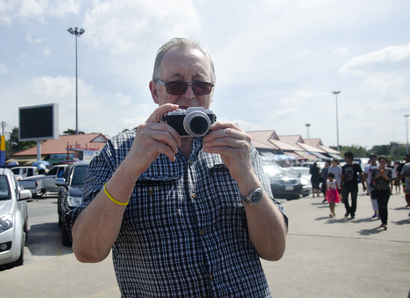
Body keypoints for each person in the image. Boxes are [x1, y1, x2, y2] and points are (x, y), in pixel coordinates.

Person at [65, 38, 288, 297]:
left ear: (212, 92)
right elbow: (87, 251)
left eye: (201, 85)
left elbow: (274, 250)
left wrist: (246, 177)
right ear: (154, 91)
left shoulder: (238, 148)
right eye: (176, 83)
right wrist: (129, 171)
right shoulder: (117, 153)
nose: (190, 94)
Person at [340, 151, 366, 219]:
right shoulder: (344, 167)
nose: (345, 158)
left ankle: (352, 212)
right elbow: (342, 176)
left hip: (354, 184)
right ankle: (348, 210)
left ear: (350, 158)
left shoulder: (356, 165)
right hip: (346, 184)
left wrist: (363, 185)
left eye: (346, 157)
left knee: (354, 199)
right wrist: (341, 185)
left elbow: (361, 175)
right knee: (345, 197)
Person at [371, 156, 393, 230]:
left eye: (384, 162)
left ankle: (385, 222)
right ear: (379, 162)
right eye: (381, 162)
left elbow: (390, 180)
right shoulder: (375, 170)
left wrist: (384, 175)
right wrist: (378, 175)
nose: (382, 163)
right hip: (378, 190)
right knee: (380, 206)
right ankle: (382, 221)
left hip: (386, 190)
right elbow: (372, 179)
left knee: (384, 205)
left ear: (386, 162)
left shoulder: (389, 170)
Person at [363, 154, 379, 218]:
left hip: (378, 184)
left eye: (374, 159)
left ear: (376, 159)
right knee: (373, 198)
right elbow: (365, 175)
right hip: (370, 184)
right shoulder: (367, 167)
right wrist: (364, 184)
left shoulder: (379, 166)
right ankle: (375, 211)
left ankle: (380, 211)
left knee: (379, 198)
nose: (373, 160)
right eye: (371, 159)